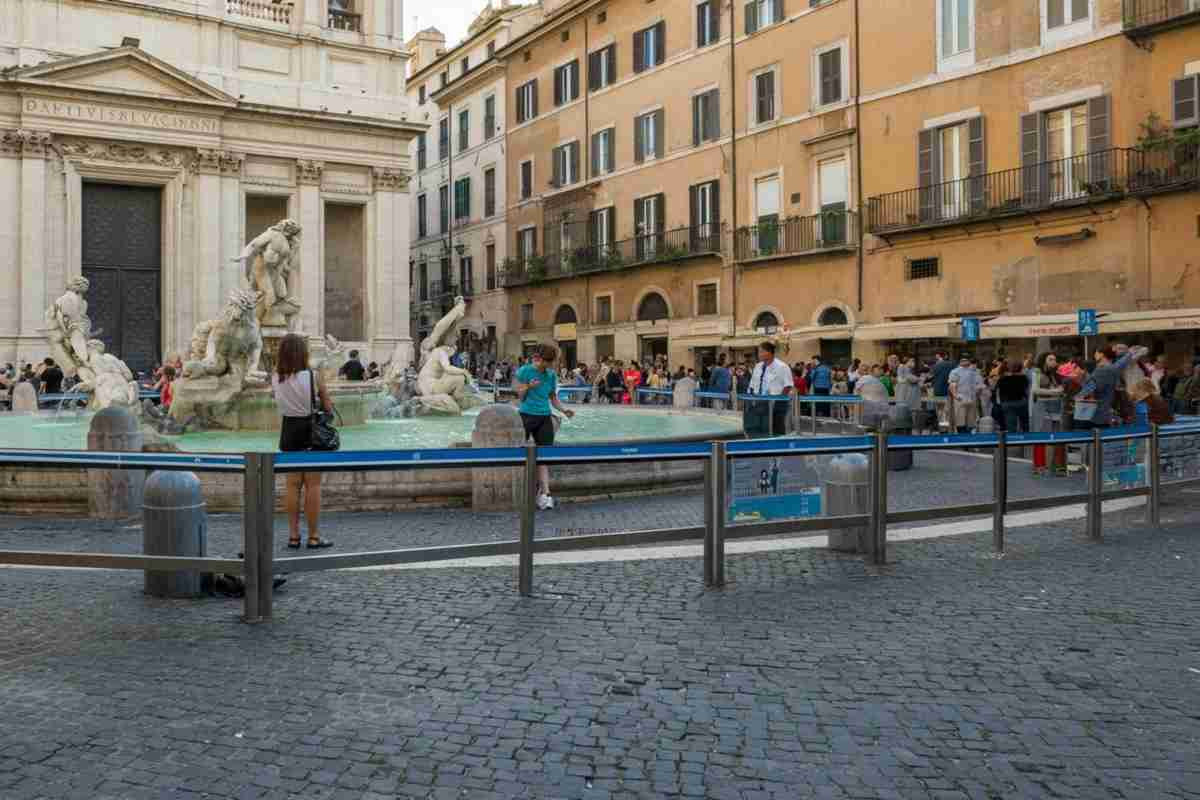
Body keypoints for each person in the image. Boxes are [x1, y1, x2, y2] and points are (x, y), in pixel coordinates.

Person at [272, 333, 334, 549]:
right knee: (313, 485)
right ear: (303, 353)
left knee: (292, 485)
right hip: (310, 432)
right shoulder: (313, 375)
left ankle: (293, 535)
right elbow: (327, 405)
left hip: (288, 432)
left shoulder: (276, 376)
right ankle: (314, 536)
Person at [514, 343, 575, 510]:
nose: (551, 365)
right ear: (541, 360)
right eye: (550, 362)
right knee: (520, 454)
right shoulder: (525, 371)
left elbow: (553, 398)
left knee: (545, 456)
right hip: (526, 416)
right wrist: (528, 386)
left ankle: (545, 494)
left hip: (544, 417)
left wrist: (564, 410)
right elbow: (519, 395)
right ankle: (524, 490)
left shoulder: (551, 375)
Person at [1075, 345, 1148, 428]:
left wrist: (1079, 395)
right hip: (1102, 411)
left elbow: (1091, 386)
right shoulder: (1107, 368)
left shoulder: (1103, 369)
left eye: (1096, 353)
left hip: (1093, 413)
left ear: (1101, 354)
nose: (1095, 355)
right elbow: (1118, 365)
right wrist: (1129, 354)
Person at [744, 341, 792, 437]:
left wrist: (779, 400)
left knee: (777, 427)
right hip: (760, 402)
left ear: (769, 352)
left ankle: (779, 446)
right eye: (759, 352)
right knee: (760, 426)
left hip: (777, 402)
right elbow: (753, 383)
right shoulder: (758, 366)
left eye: (761, 351)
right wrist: (752, 398)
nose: (759, 354)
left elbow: (788, 385)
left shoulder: (782, 366)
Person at [1030, 352, 1066, 475]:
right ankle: (1039, 465)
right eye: (1050, 359)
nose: (1053, 361)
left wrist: (1059, 391)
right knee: (1040, 436)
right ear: (1044, 360)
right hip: (1041, 406)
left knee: (1057, 437)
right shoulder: (1037, 372)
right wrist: (1055, 391)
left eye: (1055, 359)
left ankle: (1056, 466)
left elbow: (1061, 388)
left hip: (1056, 407)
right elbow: (1035, 390)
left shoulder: (1056, 374)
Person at [948, 356, 984, 433]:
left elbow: (980, 385)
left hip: (971, 398)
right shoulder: (955, 371)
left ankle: (968, 436)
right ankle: (962, 436)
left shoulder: (975, 371)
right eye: (963, 360)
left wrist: (977, 395)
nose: (965, 362)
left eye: (966, 360)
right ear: (960, 362)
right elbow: (952, 385)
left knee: (971, 420)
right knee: (960, 420)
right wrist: (955, 395)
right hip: (961, 397)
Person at [994, 361, 1029, 433]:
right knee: (1025, 424)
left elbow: (997, 391)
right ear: (1021, 368)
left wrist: (1001, 403)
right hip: (1021, 402)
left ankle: (1012, 442)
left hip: (1007, 403)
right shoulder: (1024, 378)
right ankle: (1025, 441)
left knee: (1011, 427)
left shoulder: (1002, 379)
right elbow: (1026, 390)